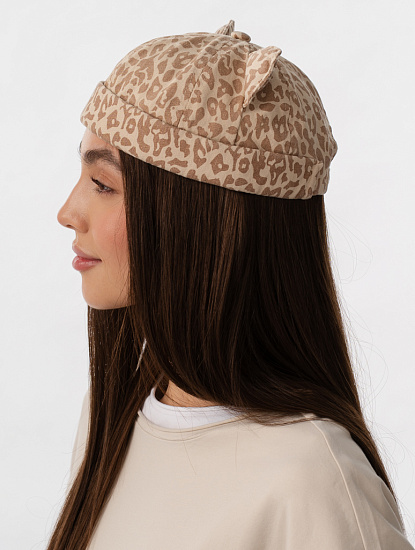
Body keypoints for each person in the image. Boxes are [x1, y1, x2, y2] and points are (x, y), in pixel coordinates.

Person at [47, 19, 414, 550]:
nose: (67, 212)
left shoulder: (313, 479)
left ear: (201, 218)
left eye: (103, 184)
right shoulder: (110, 417)